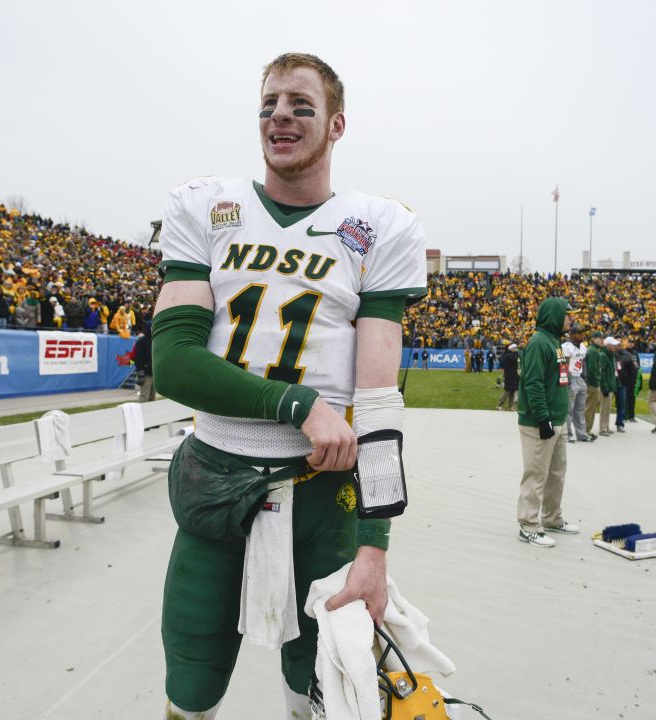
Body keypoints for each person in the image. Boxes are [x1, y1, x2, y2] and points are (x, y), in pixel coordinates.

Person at [150, 53, 426, 718]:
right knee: (191, 679)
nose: (281, 113)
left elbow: (380, 402)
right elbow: (175, 362)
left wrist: (375, 547)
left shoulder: (376, 228)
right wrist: (298, 403)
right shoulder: (206, 208)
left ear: (335, 125)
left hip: (322, 492)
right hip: (216, 476)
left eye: (301, 104)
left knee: (320, 683)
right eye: (270, 102)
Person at [515, 297, 579, 548]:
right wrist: (543, 418)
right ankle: (529, 526)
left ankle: (552, 518)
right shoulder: (538, 343)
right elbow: (533, 383)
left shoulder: (555, 342)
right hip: (540, 422)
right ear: (554, 315)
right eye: (568, 314)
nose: (571, 319)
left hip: (558, 420)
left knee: (556, 474)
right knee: (536, 474)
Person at [561, 324, 590, 442]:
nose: (582, 335)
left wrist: (585, 378)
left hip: (579, 377)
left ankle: (581, 434)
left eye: (583, 333)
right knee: (568, 409)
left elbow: (583, 363)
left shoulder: (583, 347)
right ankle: (567, 434)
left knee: (580, 409)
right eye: (579, 333)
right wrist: (565, 379)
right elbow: (563, 364)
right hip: (570, 377)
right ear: (572, 335)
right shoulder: (566, 347)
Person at [583, 332, 607, 439]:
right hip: (592, 383)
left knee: (590, 407)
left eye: (601, 338)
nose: (600, 340)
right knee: (589, 408)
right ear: (593, 339)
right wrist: (596, 382)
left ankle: (586, 429)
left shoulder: (594, 350)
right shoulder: (592, 351)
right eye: (598, 338)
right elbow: (592, 369)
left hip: (591, 383)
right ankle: (586, 430)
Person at [614, 337, 638, 432]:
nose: (618, 344)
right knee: (605, 405)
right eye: (617, 342)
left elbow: (633, 371)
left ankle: (620, 423)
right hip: (611, 382)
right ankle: (604, 426)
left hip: (622, 383)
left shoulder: (628, 355)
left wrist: (632, 383)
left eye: (620, 343)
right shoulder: (610, 354)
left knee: (621, 404)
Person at [497, 342, 519, 410]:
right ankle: (499, 405)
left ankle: (510, 406)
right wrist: (516, 353)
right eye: (514, 348)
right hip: (509, 375)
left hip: (514, 375)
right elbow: (513, 359)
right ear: (511, 348)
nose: (516, 349)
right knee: (507, 391)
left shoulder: (512, 354)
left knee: (513, 390)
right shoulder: (508, 355)